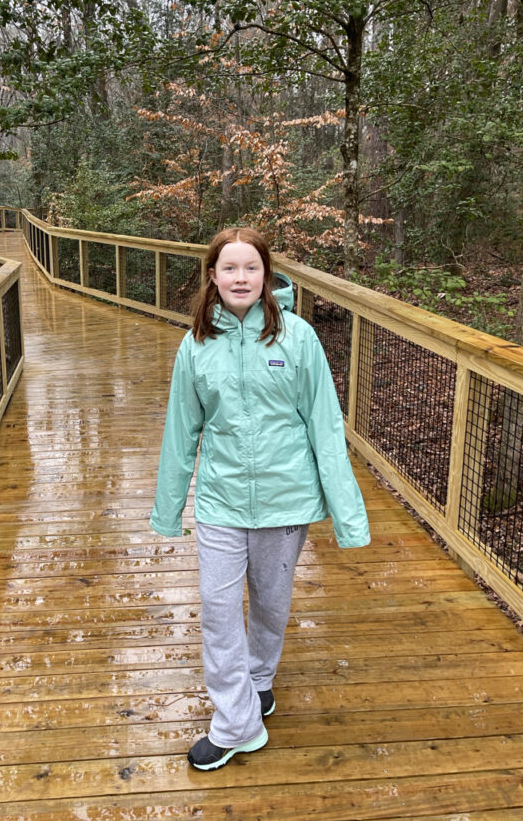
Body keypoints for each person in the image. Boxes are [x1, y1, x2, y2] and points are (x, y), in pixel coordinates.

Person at [150, 227, 370, 771]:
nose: (241, 277)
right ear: (213, 277)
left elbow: (325, 428)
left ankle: (259, 681)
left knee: (271, 605)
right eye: (230, 268)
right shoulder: (196, 344)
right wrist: (168, 510)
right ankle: (236, 724)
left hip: (286, 499)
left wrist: (349, 517)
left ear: (267, 276)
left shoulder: (297, 338)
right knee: (219, 613)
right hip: (221, 500)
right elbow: (181, 432)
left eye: (251, 268)